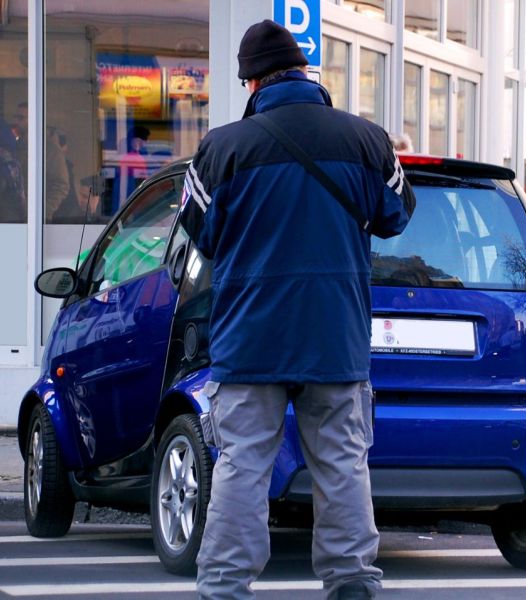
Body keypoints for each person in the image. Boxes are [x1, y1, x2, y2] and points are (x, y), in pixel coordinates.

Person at [181, 20, 415, 600]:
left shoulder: (221, 148)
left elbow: (198, 232)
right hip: (334, 337)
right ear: (305, 73)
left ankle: (224, 587)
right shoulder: (367, 141)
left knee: (241, 466)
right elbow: (398, 214)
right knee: (341, 466)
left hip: (250, 338)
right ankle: (353, 583)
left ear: (252, 82)